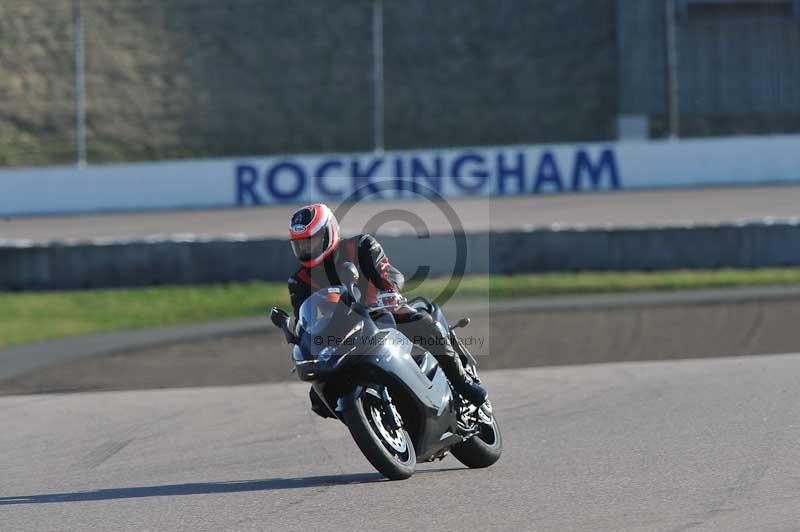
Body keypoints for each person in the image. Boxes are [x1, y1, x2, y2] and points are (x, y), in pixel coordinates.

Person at [286, 203, 487, 417]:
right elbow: (304, 317)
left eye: (311, 241)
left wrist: (388, 293)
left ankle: (462, 383)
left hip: (380, 310)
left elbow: (385, 273)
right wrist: (301, 335)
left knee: (423, 324)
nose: (306, 249)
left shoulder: (360, 246)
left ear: (329, 232)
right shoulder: (299, 281)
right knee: (318, 400)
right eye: (301, 244)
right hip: (343, 332)